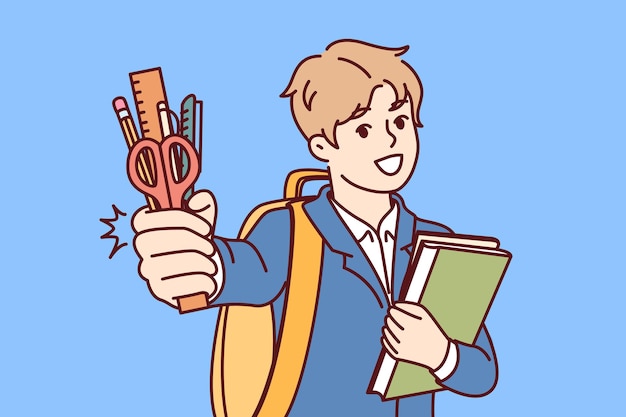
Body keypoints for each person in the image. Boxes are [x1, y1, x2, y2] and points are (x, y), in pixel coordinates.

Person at [132, 39, 498, 416]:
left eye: (399, 120)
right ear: (322, 146)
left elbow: (483, 372)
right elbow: (235, 270)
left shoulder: (439, 243)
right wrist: (194, 260)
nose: (390, 140)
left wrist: (442, 355)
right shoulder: (289, 231)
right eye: (363, 130)